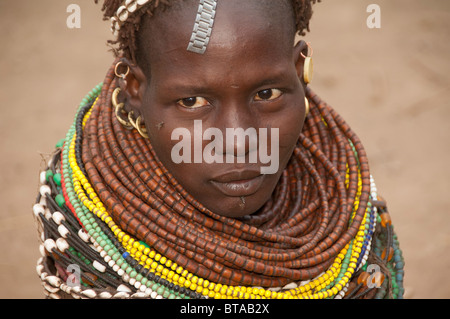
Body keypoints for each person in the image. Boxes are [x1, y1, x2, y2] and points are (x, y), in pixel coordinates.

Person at [33, 0, 405, 300]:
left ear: (299, 70)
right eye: (192, 101)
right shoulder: (86, 221)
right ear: (133, 90)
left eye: (267, 93)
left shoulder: (348, 208)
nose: (238, 141)